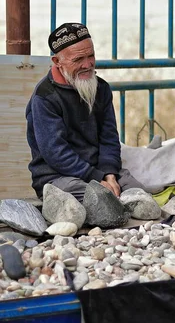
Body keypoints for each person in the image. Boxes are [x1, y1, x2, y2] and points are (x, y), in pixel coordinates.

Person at [26, 22, 145, 201]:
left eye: (91, 56)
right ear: (57, 62)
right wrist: (96, 178)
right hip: (58, 177)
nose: (87, 64)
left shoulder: (101, 88)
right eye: (78, 59)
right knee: (101, 200)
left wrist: (110, 173)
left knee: (140, 195)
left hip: (99, 171)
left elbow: (109, 138)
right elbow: (56, 153)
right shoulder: (44, 97)